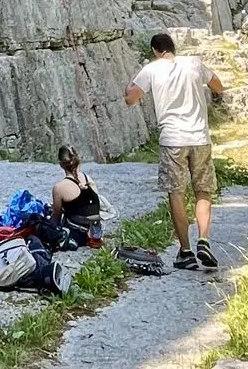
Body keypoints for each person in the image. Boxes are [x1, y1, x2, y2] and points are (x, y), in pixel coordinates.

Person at [125, 31, 224, 270]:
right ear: (173, 47)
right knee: (203, 190)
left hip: (172, 140)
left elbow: (131, 98)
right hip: (200, 137)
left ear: (155, 51)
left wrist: (130, 85)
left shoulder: (152, 69)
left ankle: (186, 251)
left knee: (176, 193)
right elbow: (218, 85)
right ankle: (203, 238)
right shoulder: (193, 63)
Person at [51, 144, 103, 241]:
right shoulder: (88, 179)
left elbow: (56, 218)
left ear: (61, 164)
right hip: (95, 231)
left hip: (77, 235)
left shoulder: (59, 188)